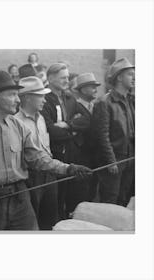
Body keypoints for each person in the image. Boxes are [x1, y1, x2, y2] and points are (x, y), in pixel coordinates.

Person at [0, 70, 92, 230]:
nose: (18, 99)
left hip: (19, 197)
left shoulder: (19, 127)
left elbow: (37, 158)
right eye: (12, 95)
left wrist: (68, 168)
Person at [41, 63, 91, 218]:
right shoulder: (44, 99)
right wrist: (74, 132)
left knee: (71, 195)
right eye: (63, 77)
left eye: (68, 77)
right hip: (54, 155)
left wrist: (68, 125)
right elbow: (50, 131)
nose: (66, 81)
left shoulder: (69, 98)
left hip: (71, 154)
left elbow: (87, 119)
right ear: (50, 78)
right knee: (55, 198)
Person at [15, 76, 58, 230]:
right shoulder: (15, 122)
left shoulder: (41, 119)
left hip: (50, 175)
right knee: (32, 223)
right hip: (31, 178)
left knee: (50, 220)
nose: (45, 100)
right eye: (40, 96)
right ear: (26, 97)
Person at [93, 58, 135, 206]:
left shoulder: (131, 100)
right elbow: (102, 136)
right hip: (114, 161)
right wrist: (111, 161)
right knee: (110, 202)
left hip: (130, 158)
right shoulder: (104, 102)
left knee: (124, 200)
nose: (134, 77)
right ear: (119, 77)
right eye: (130, 74)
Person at [74, 73, 101, 201]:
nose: (96, 90)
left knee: (92, 191)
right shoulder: (74, 107)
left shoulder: (95, 107)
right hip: (81, 157)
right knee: (80, 192)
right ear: (83, 89)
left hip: (95, 157)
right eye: (93, 87)